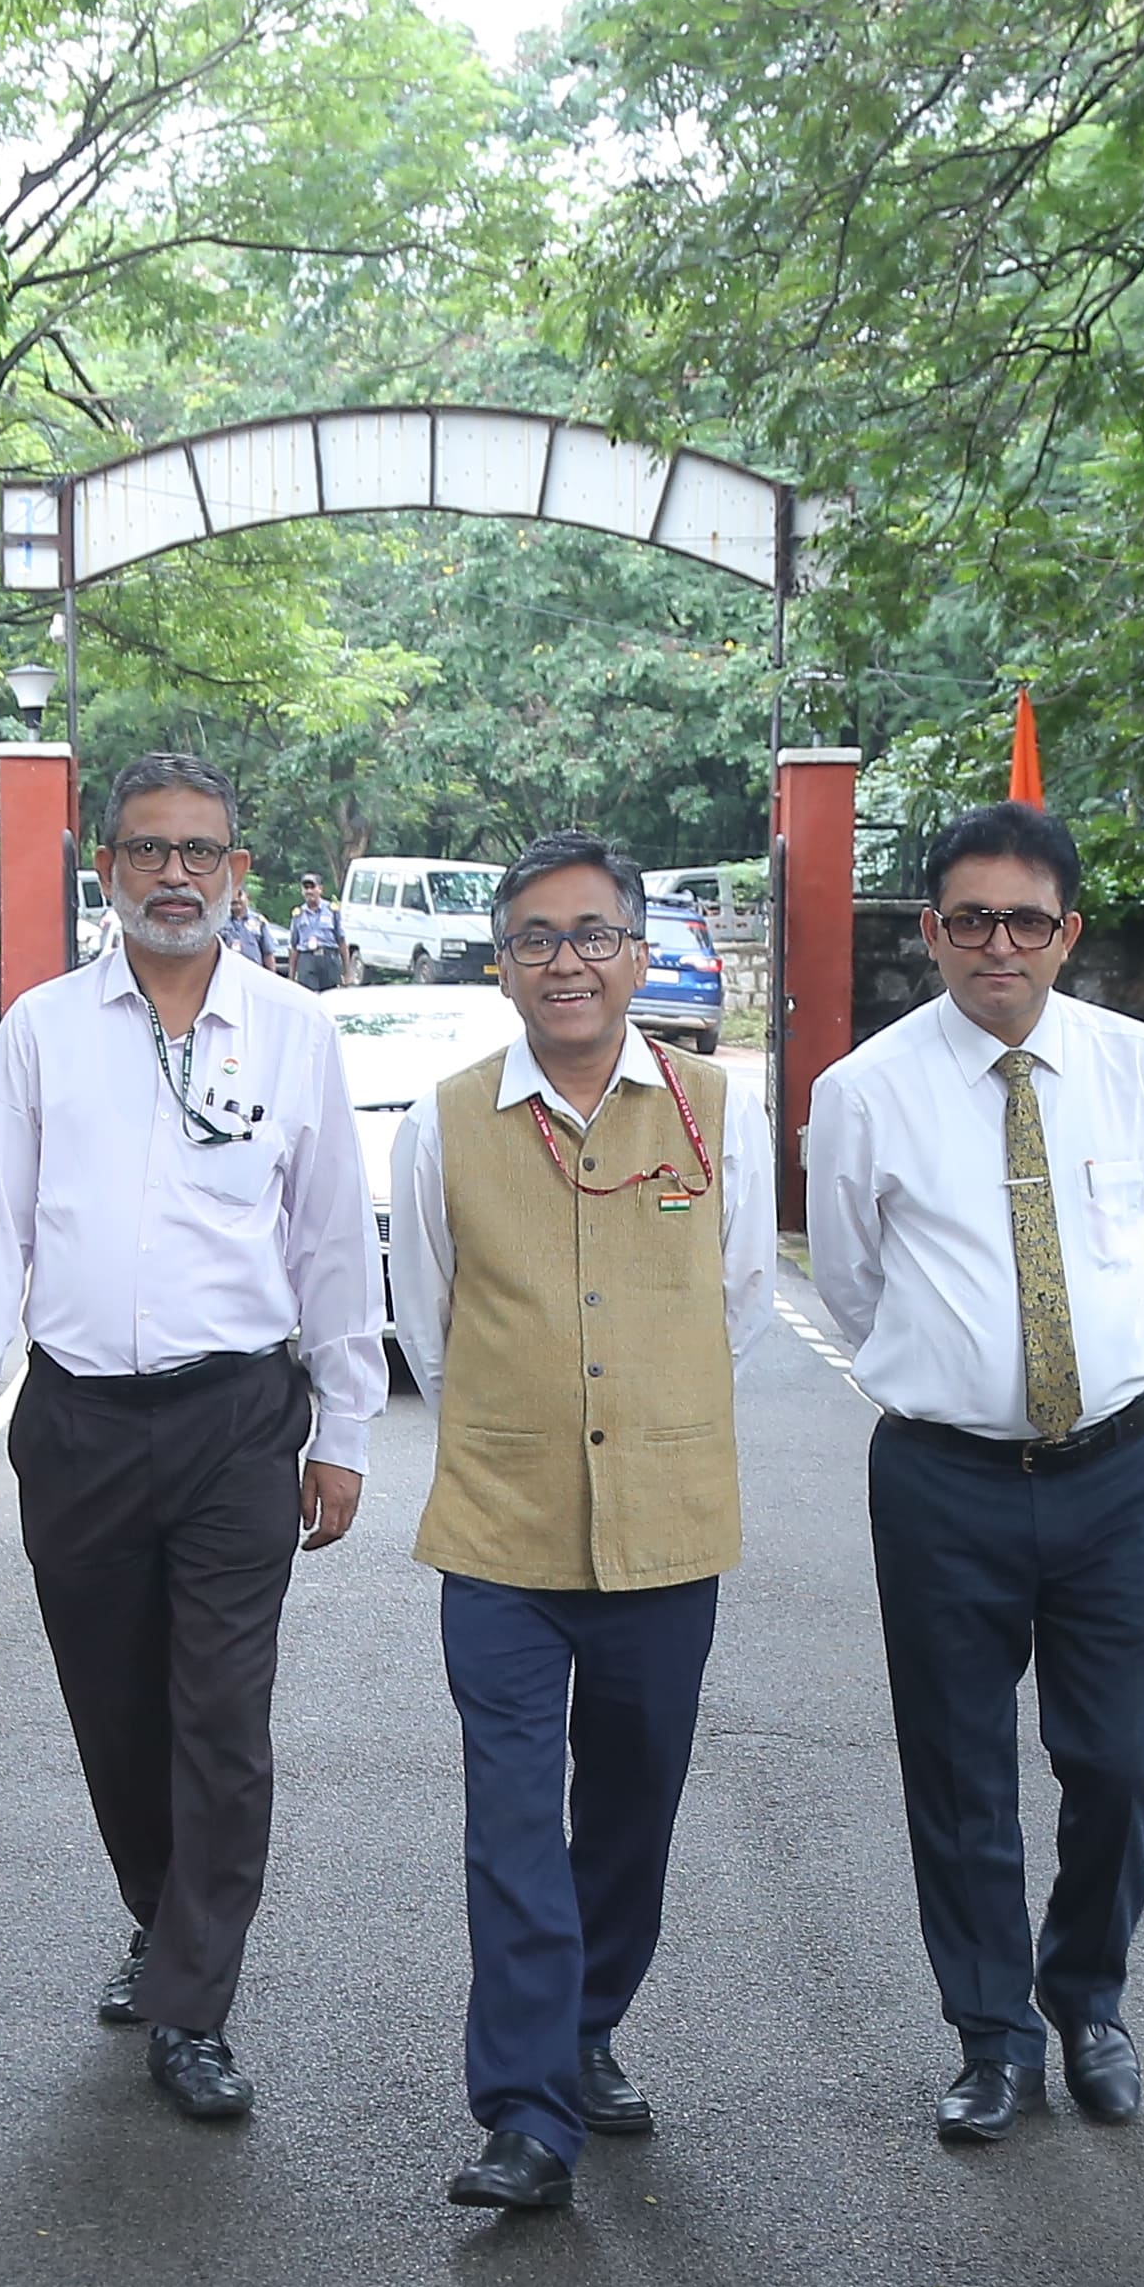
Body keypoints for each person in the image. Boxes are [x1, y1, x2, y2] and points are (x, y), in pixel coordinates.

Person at [0, 754, 381, 2123]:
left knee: (221, 1722)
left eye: (202, 851)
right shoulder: (47, 1030)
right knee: (117, 1713)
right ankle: (161, 1913)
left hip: (237, 1422)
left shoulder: (295, 1032)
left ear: (239, 873)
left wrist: (342, 1428)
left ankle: (193, 1999)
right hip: (79, 1425)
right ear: (107, 872)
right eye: (148, 851)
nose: (176, 872)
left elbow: (332, 1245)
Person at [385, 829, 773, 2212]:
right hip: (500, 1530)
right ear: (503, 964)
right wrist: (516, 1427)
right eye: (539, 938)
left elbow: (736, 1305)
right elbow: (427, 1321)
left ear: (638, 953)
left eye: (594, 934)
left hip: (667, 1525)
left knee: (631, 1808)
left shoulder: (716, 1108)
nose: (568, 960)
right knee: (511, 1822)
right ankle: (529, 2111)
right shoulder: (443, 1122)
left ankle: (590, 2020)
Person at [803, 803, 1144, 2145]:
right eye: (968, 918)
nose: (998, 944)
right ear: (931, 932)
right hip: (944, 1482)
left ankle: (1089, 1997)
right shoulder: (862, 1092)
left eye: (1027, 919)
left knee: (1121, 1760)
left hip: (1122, 1473)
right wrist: (957, 1372)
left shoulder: (1141, 1066)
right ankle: (993, 2033)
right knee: (961, 1771)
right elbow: (853, 1285)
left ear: (1066, 932)